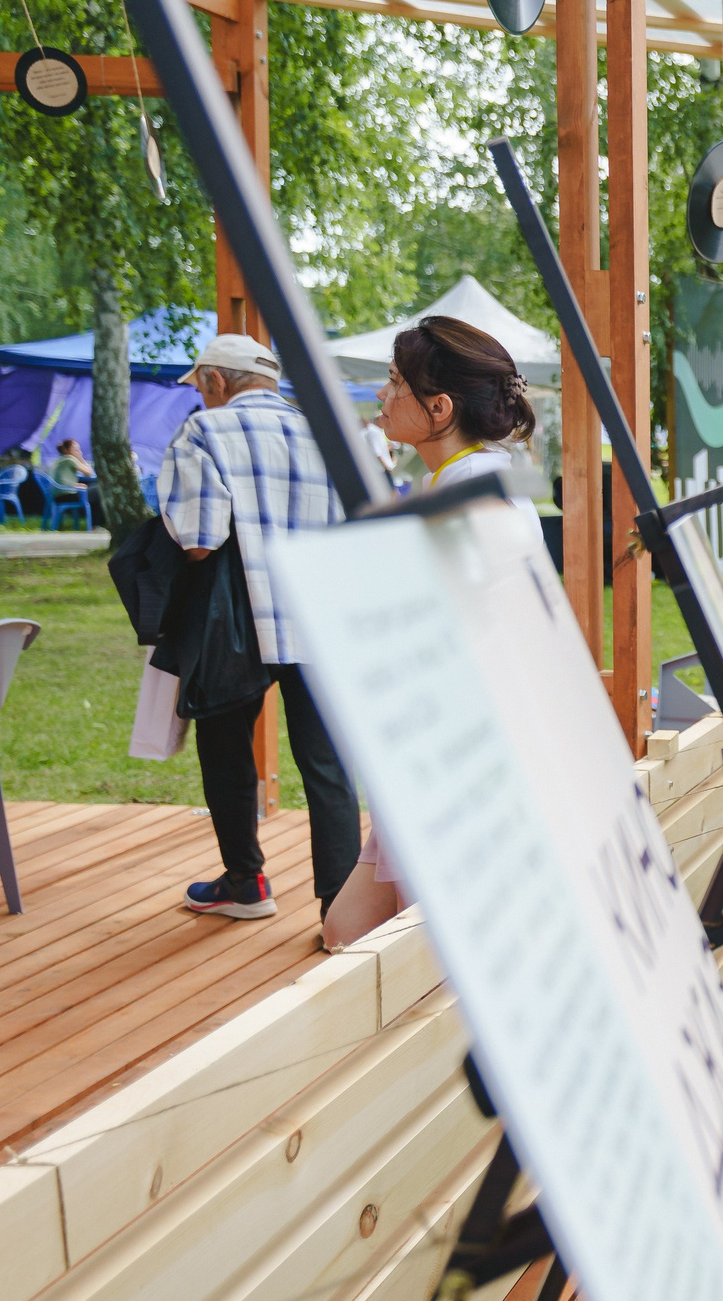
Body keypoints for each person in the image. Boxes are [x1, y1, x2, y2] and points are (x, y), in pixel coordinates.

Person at [321, 316, 544, 950]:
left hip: (459, 763)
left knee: (426, 957)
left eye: (393, 383)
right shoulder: (466, 479)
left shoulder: (469, 494)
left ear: (439, 407)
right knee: (349, 930)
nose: (381, 398)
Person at [161, 332, 359, 922]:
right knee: (326, 761)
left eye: (201, 387)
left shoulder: (204, 432)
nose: (201, 397)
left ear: (218, 381)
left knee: (225, 750)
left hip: (239, 618)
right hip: (320, 615)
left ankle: (246, 884)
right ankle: (342, 910)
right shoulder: (329, 433)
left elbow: (199, 540)